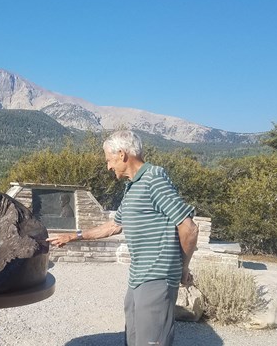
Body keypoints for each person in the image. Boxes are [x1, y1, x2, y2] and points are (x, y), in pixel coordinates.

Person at [46, 130, 199, 346]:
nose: (108, 166)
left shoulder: (154, 178)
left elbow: (188, 227)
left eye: (109, 160)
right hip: (138, 278)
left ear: (122, 154)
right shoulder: (133, 187)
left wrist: (182, 268)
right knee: (133, 340)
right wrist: (72, 236)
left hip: (157, 276)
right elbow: (113, 226)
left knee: (151, 342)